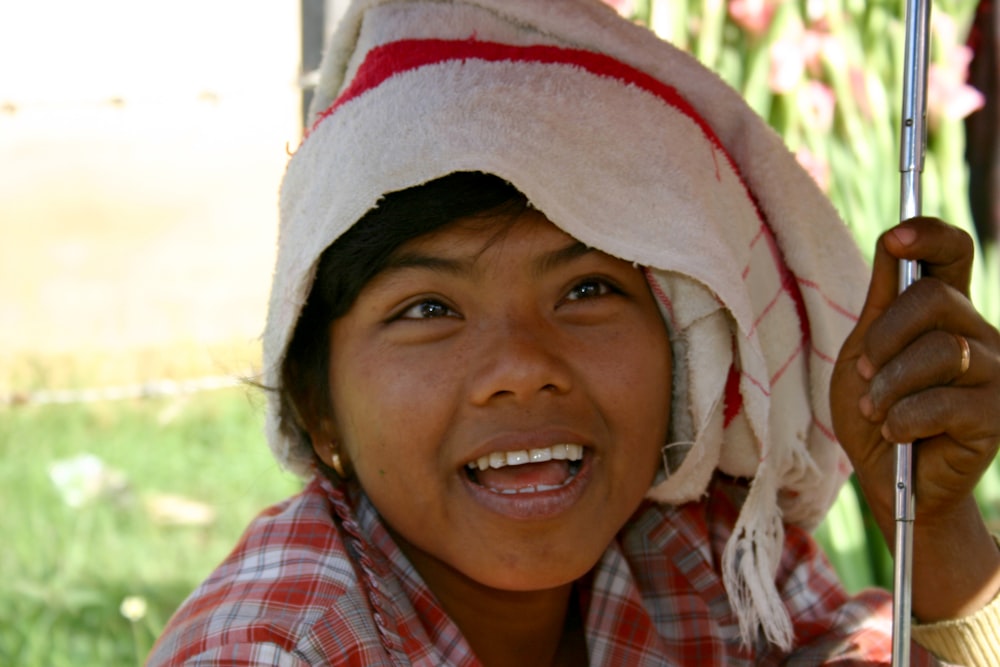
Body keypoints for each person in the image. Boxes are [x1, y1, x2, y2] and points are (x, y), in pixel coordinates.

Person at [147, 0, 1000, 664]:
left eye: (587, 289)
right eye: (428, 310)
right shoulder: (274, 650)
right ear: (315, 402)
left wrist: (940, 531)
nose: (521, 367)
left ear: (681, 353)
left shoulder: (688, 552)